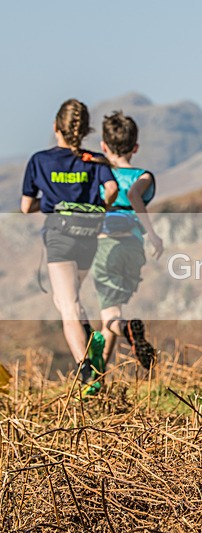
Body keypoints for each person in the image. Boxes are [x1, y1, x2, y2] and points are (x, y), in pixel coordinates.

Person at [21, 98, 119, 397]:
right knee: (67, 299)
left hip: (60, 237)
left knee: (68, 305)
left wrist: (51, 203)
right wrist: (101, 207)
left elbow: (26, 206)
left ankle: (87, 373)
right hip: (88, 235)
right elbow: (112, 189)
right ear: (85, 130)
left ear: (55, 126)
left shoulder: (40, 160)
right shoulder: (94, 161)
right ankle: (90, 337)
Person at [93, 111, 162, 371]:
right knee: (112, 310)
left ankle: (126, 329)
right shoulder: (144, 176)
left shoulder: (101, 175)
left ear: (104, 145)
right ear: (135, 148)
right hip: (133, 247)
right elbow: (136, 193)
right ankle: (98, 376)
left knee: (111, 316)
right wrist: (152, 235)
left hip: (105, 247)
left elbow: (132, 195)